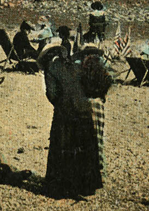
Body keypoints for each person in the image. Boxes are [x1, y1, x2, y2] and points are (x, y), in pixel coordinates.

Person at [39, 40, 105, 200]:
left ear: (48, 56)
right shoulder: (75, 66)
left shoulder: (51, 68)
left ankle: (61, 186)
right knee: (83, 146)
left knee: (63, 146)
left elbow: (52, 94)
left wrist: (61, 105)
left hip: (65, 112)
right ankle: (85, 185)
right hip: (83, 110)